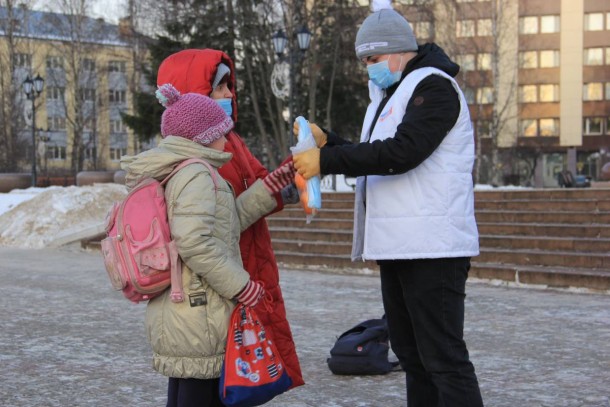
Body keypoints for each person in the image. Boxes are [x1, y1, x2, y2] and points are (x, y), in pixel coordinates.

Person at [293, 4, 484, 407]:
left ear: (399, 51)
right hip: (400, 247)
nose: (368, 68)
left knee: (443, 360)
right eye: (364, 61)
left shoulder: (434, 88)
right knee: (413, 358)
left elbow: (403, 152)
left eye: (373, 59)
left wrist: (326, 162)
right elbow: (373, 155)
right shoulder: (390, 95)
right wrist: (331, 142)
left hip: (434, 248)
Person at [121, 84, 296, 407]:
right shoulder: (197, 174)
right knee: (199, 395)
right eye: (221, 132)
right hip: (199, 308)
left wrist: (265, 190)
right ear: (202, 136)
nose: (227, 139)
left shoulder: (184, 171)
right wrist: (242, 286)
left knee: (188, 393)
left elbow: (222, 225)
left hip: (187, 309)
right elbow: (194, 242)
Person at [156, 49, 304, 389]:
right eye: (220, 87)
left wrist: (277, 183)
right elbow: (196, 237)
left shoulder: (225, 138)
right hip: (210, 287)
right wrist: (239, 284)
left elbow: (230, 212)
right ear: (195, 92)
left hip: (237, 267)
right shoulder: (193, 158)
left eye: (229, 86)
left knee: (223, 380)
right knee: (203, 380)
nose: (229, 94)